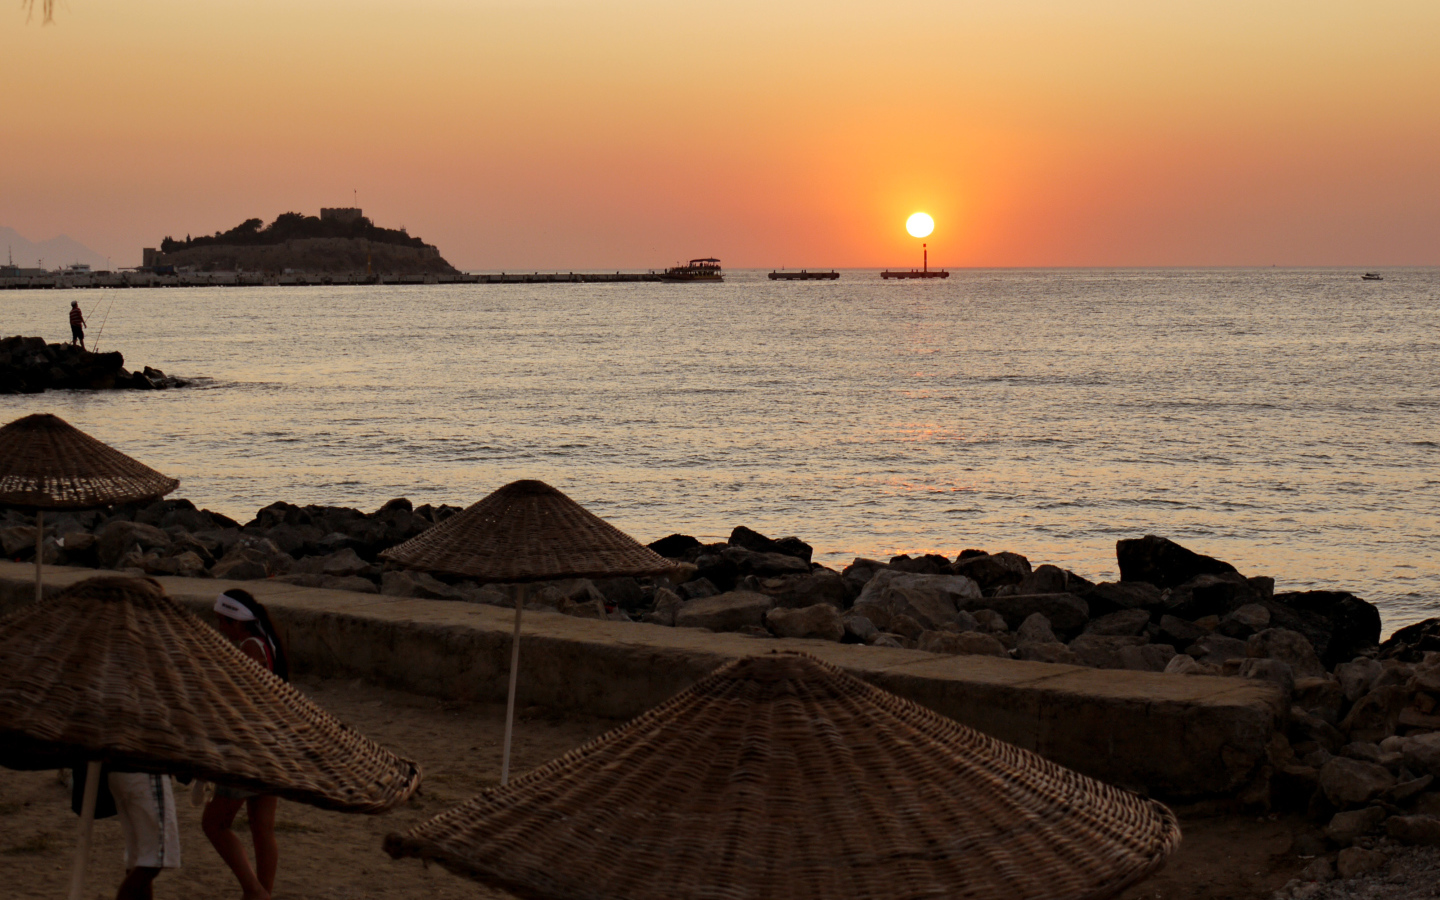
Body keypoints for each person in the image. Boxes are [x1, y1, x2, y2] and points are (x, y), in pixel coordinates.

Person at [201, 589, 289, 900]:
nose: (219, 628)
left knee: (214, 824)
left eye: (221, 622)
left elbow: (245, 701)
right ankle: (262, 891)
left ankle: (255, 891)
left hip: (250, 748)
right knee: (262, 829)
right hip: (272, 744)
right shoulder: (267, 645)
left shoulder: (251, 648)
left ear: (235, 621)